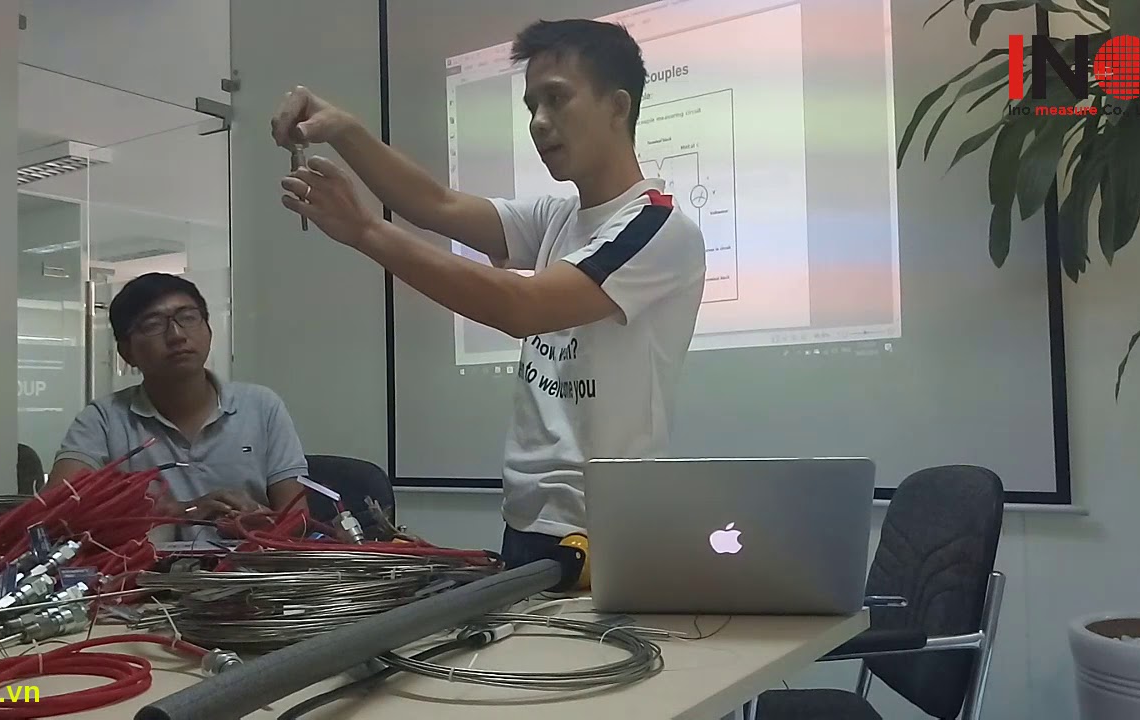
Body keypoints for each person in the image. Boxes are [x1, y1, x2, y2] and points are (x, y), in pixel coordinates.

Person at [271, 19, 706, 567]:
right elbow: (438, 204)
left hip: (600, 527)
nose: (539, 122)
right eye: (531, 105)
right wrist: (344, 129)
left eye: (556, 99)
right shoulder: (558, 217)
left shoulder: (658, 228)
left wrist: (365, 231)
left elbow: (521, 307)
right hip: (526, 519)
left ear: (618, 107)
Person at [48, 273, 309, 525]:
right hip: (145, 556)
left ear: (209, 331)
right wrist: (182, 512)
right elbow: (53, 513)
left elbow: (299, 521)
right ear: (126, 352)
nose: (176, 335)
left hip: (250, 555)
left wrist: (258, 522)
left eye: (188, 318)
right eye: (153, 325)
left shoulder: (260, 407)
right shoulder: (104, 418)